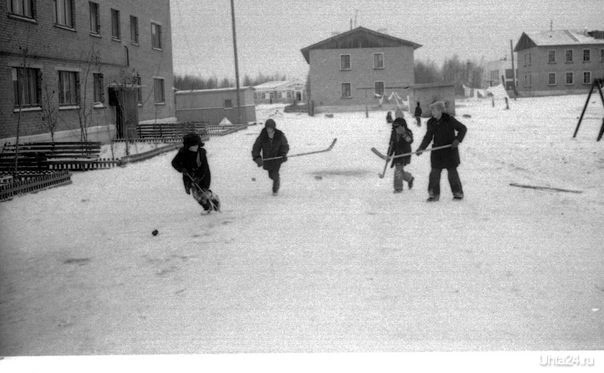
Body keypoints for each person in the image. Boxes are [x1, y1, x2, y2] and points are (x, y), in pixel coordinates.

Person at [416, 101, 467, 202]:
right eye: (431, 110)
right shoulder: (431, 122)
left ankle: (458, 193)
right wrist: (421, 148)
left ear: (440, 110)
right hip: (437, 152)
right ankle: (434, 195)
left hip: (450, 151)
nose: (432, 112)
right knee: (434, 173)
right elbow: (428, 137)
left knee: (452, 173)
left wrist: (457, 140)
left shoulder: (449, 120)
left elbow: (463, 129)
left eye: (434, 110)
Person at [171, 133, 220, 212]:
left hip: (203, 175)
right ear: (188, 146)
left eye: (196, 146)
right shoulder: (183, 152)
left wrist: (198, 178)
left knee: (203, 192)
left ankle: (214, 198)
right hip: (188, 176)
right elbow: (174, 163)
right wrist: (181, 169)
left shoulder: (201, 153)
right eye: (192, 146)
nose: (195, 148)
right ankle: (207, 207)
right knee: (196, 195)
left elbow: (204, 168)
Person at [252, 119, 289, 195]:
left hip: (277, 159)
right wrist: (257, 158)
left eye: (270, 128)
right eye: (267, 128)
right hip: (267, 160)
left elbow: (285, 146)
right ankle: (276, 180)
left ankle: (275, 189)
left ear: (273, 128)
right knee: (270, 175)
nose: (269, 130)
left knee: (275, 174)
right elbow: (256, 148)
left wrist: (283, 154)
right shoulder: (262, 136)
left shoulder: (280, 135)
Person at [388, 117, 415, 193]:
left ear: (403, 126)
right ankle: (409, 178)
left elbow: (410, 140)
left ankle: (398, 187)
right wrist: (389, 155)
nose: (396, 128)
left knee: (398, 170)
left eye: (398, 126)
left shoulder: (407, 132)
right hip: (397, 154)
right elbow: (391, 145)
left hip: (405, 153)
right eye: (395, 126)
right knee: (399, 170)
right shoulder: (393, 134)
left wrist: (403, 133)